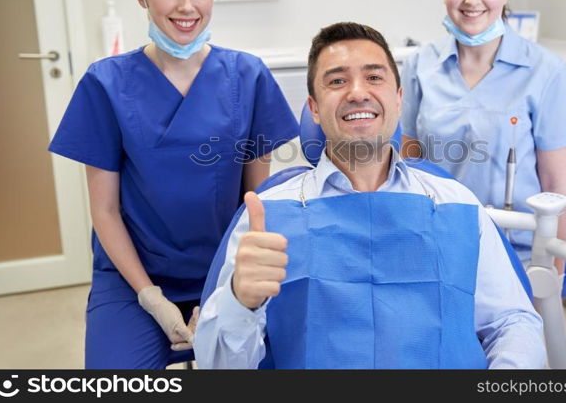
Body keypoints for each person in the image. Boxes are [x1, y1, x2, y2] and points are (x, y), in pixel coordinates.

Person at [194, 22, 546, 369]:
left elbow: (512, 322)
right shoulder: (266, 216)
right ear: (314, 109)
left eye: (374, 77)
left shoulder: (457, 205)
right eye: (337, 81)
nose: (357, 92)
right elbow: (218, 368)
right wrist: (242, 304)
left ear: (398, 99)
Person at [48, 0, 299, 369]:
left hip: (224, 269)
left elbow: (256, 205)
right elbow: (104, 211)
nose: (187, 6)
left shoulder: (248, 76)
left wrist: (229, 288)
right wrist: (151, 297)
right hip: (133, 277)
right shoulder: (105, 83)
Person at [400, 0, 566, 269]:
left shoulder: (546, 71)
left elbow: (557, 187)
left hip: (517, 250)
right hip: (436, 243)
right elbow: (411, 165)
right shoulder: (420, 65)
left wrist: (551, 273)